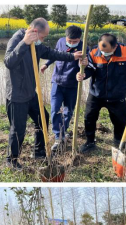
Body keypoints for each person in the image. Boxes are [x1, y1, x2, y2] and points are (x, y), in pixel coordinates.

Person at [4, 18, 85, 170]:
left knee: (43, 118)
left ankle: (38, 151)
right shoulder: (17, 40)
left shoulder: (37, 44)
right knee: (18, 129)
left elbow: (50, 52)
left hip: (30, 92)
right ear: (34, 32)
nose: (44, 39)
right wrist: (25, 43)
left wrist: (72, 56)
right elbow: (9, 62)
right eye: (43, 37)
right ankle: (12, 160)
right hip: (16, 94)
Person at [40, 25, 87, 153]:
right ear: (65, 37)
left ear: (80, 39)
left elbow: (87, 66)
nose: (71, 43)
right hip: (57, 82)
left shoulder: (84, 47)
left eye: (74, 41)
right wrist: (46, 64)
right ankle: (58, 136)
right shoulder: (61, 41)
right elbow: (54, 55)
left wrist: (83, 66)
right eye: (69, 41)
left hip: (72, 84)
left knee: (68, 110)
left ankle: (63, 132)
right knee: (55, 109)